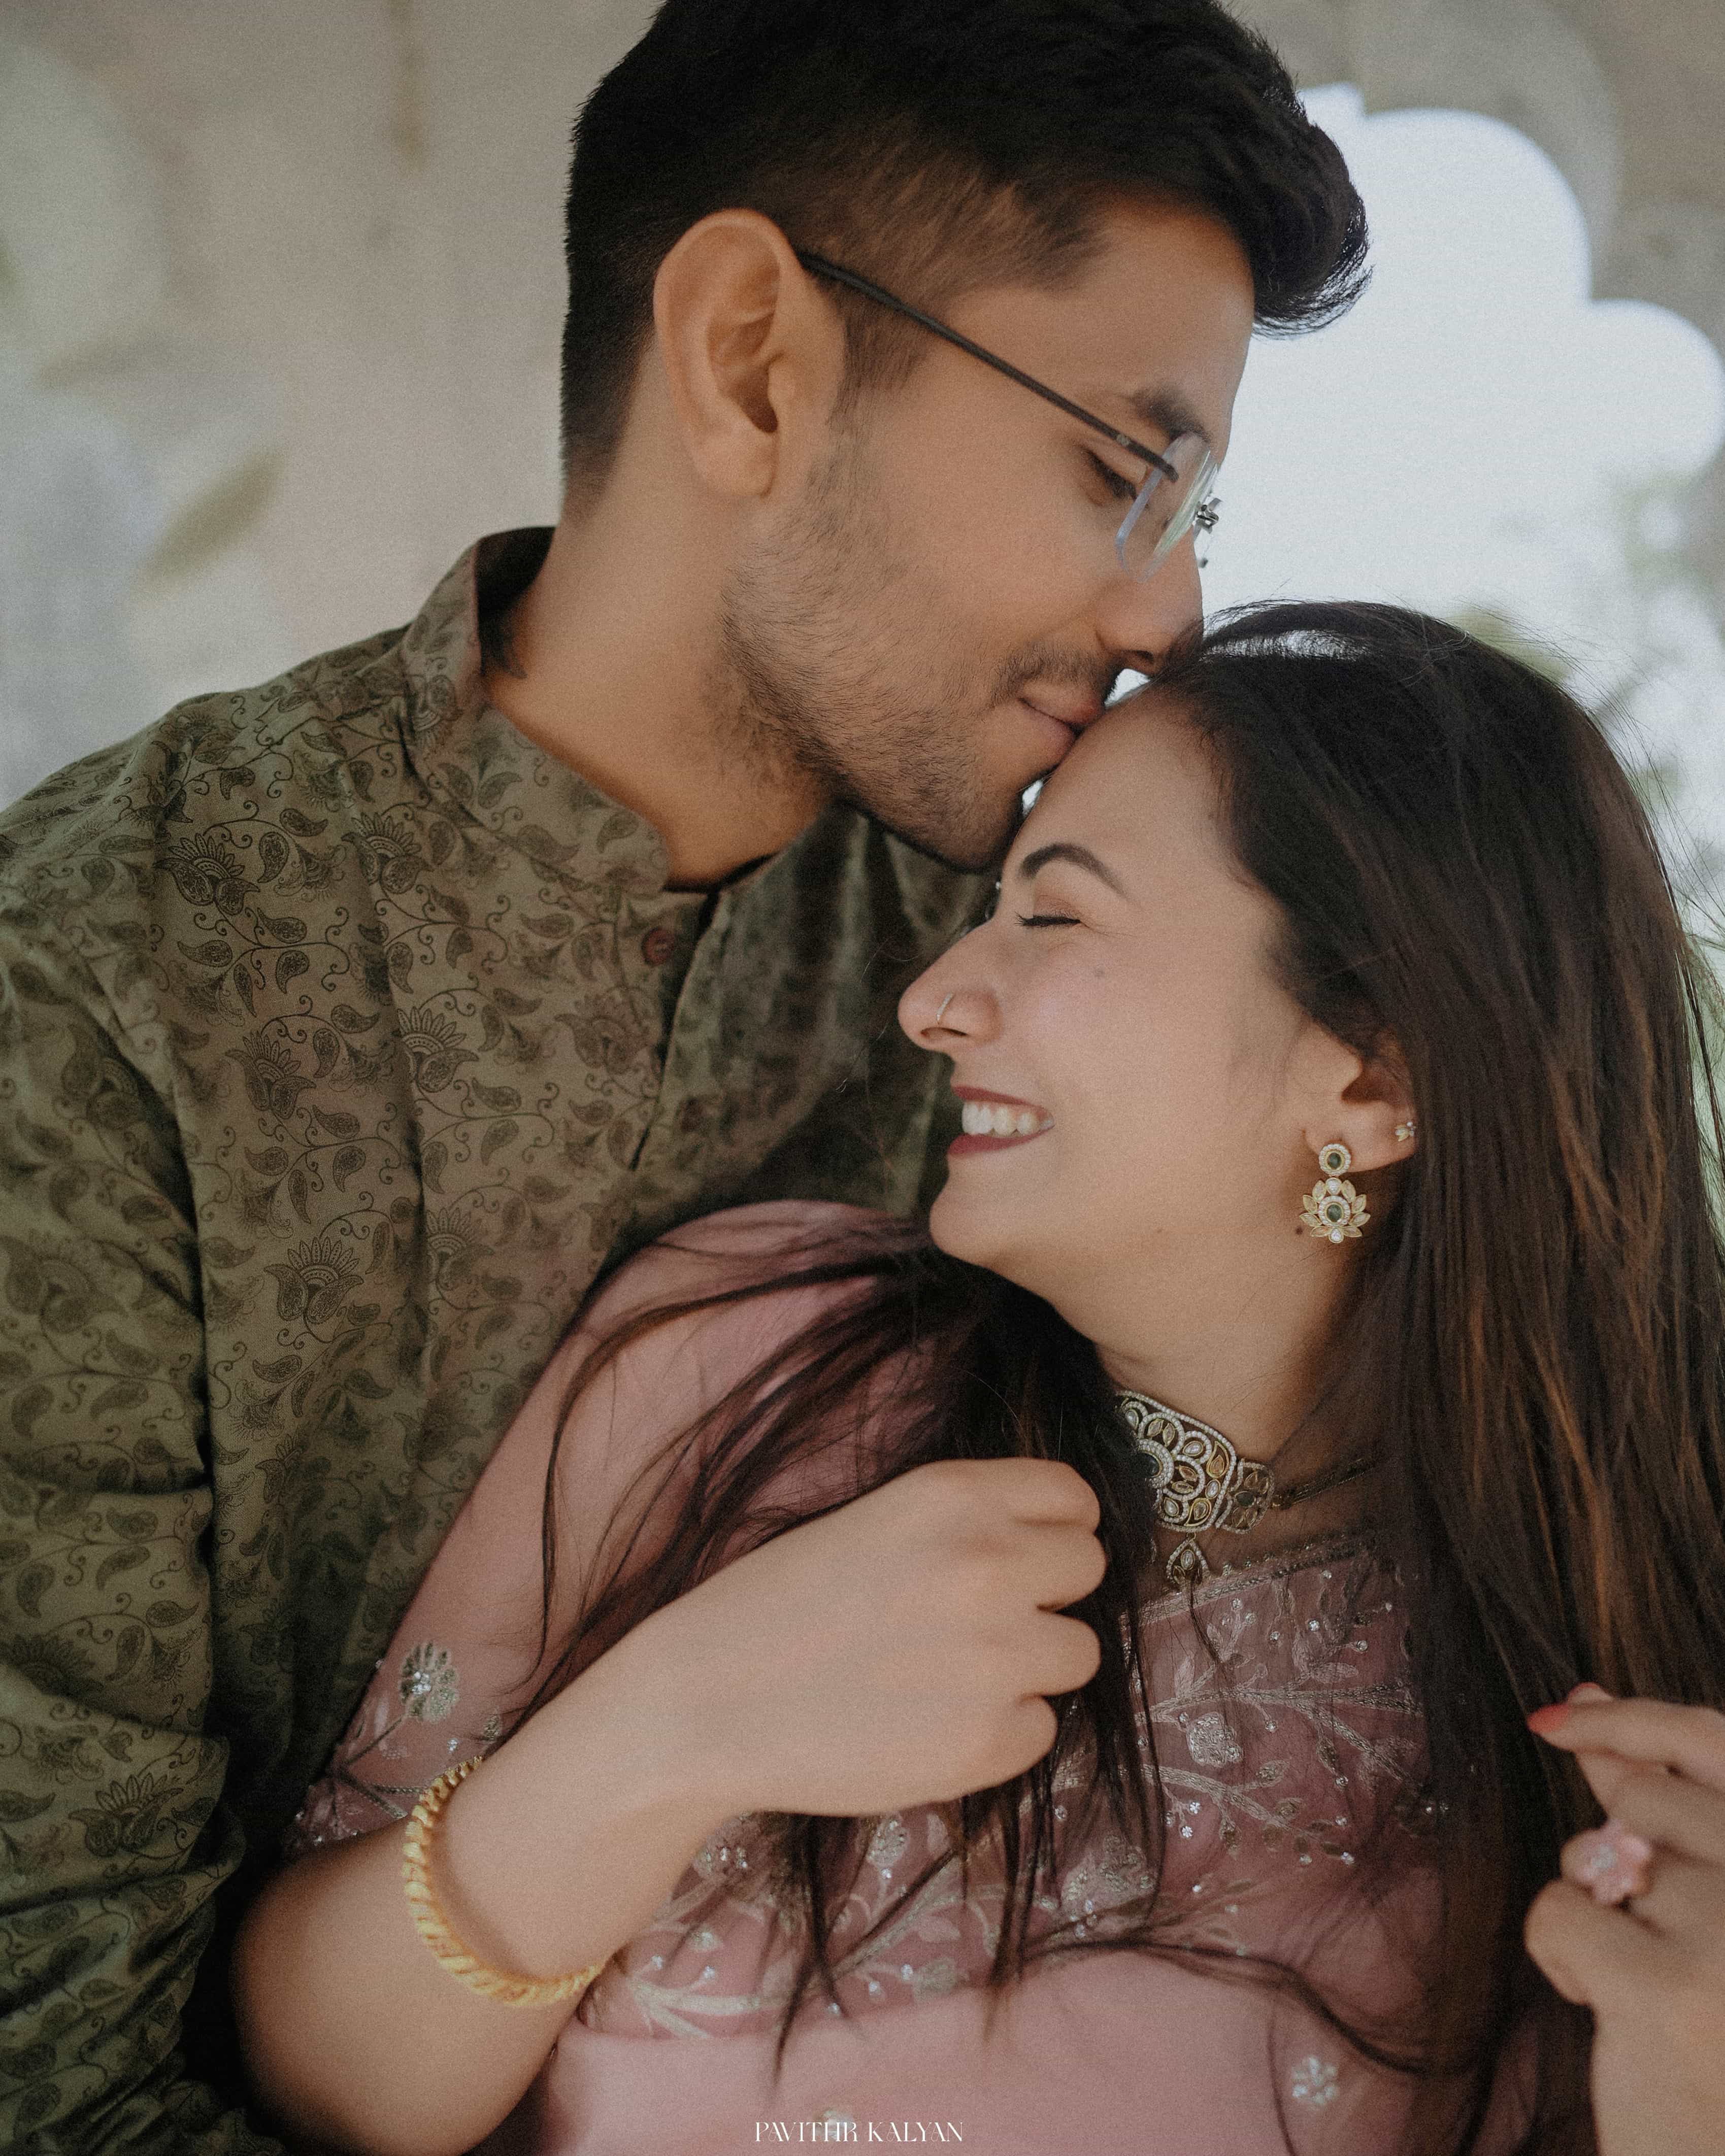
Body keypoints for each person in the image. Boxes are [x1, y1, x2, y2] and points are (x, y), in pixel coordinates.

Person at [0, 6, 1370, 2148]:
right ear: (750, 363)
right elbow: (53, 2074)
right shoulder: (92, 992)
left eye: (1201, 508)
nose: (1169, 609)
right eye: (1125, 471)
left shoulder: (1036, 956)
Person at [229, 604, 1725, 2155]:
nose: (933, 1000)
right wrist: (674, 1720)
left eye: (1053, 917)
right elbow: (321, 2068)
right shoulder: (737, 1355)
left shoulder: (1641, 1715)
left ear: (1370, 1075)